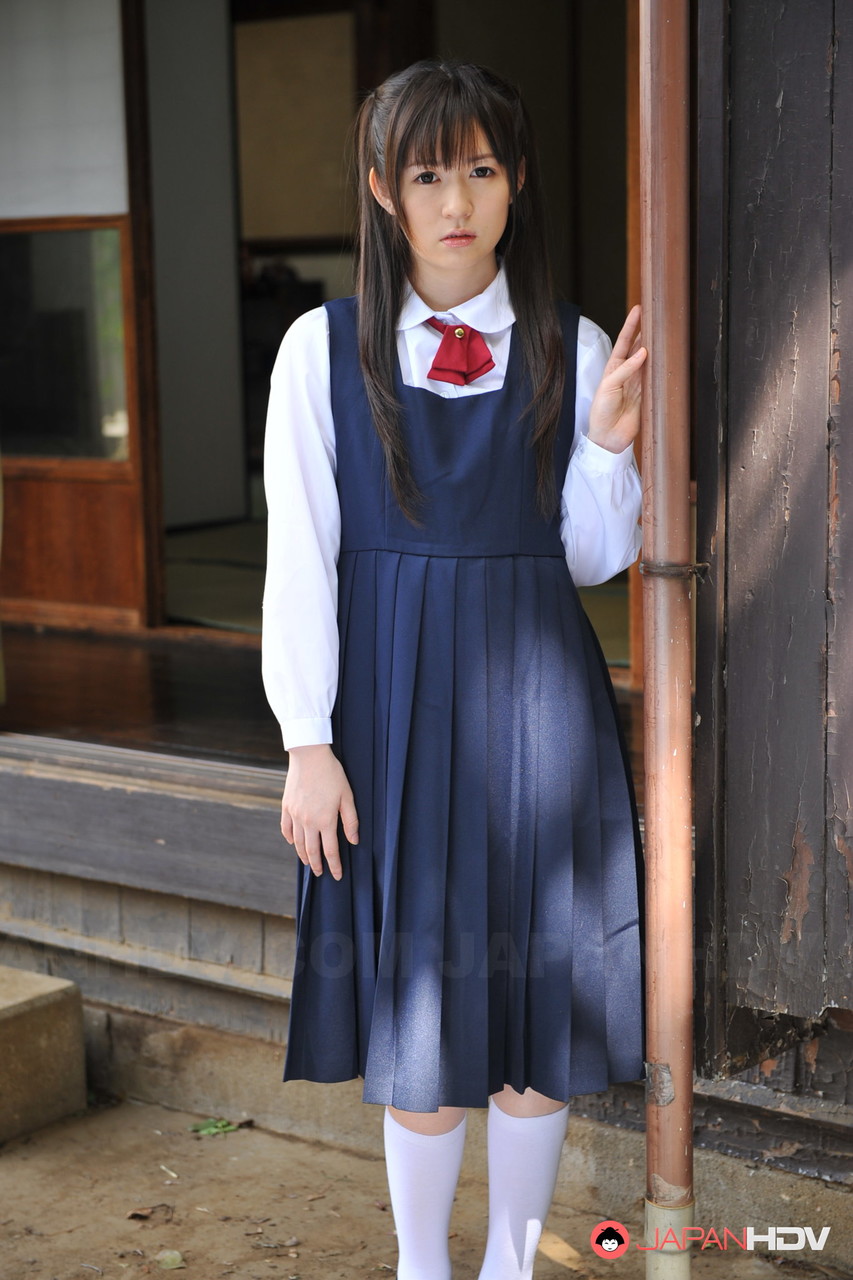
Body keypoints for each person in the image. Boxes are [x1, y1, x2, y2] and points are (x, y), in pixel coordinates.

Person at [262, 59, 646, 1280]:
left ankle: (513, 1264)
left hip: (544, 717)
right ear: (384, 189)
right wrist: (306, 741)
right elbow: (299, 558)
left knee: (537, 1015)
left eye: (480, 168)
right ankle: (426, 1264)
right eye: (428, 172)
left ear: (515, 179)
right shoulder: (317, 353)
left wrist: (603, 444)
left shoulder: (569, 344)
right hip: (386, 711)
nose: (456, 199)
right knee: (421, 1010)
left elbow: (592, 556)